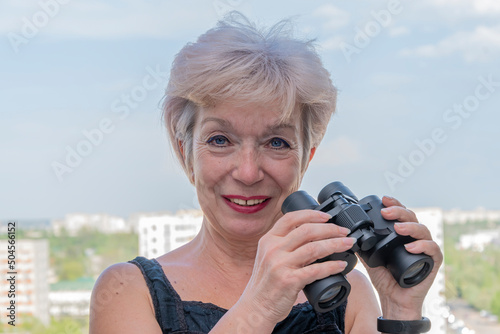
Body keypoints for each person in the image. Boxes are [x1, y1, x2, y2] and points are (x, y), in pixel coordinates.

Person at [89, 12, 443, 334]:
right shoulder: (126, 291)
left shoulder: (349, 295)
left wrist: (400, 311)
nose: (247, 172)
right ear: (186, 153)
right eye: (220, 139)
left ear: (306, 159)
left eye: (276, 143)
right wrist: (260, 306)